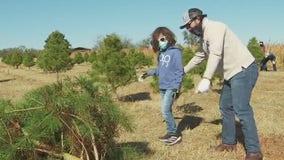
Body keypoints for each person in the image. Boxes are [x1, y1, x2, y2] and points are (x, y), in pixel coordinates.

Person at [180, 8, 263, 160]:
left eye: (189, 25)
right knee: (225, 106)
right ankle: (228, 143)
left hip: (243, 69)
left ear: (197, 19)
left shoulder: (216, 27)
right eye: (186, 27)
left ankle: (254, 151)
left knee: (242, 109)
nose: (188, 29)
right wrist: (182, 71)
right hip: (231, 74)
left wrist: (206, 78)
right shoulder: (204, 37)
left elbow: (216, 53)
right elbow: (199, 56)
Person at [139, 26, 184, 145]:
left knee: (164, 111)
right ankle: (170, 132)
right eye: (158, 40)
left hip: (171, 86)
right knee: (167, 110)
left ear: (168, 38)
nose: (161, 42)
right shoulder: (161, 53)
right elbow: (160, 69)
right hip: (163, 86)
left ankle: (174, 134)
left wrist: (177, 86)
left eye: (162, 39)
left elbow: (179, 71)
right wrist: (147, 73)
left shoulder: (176, 52)